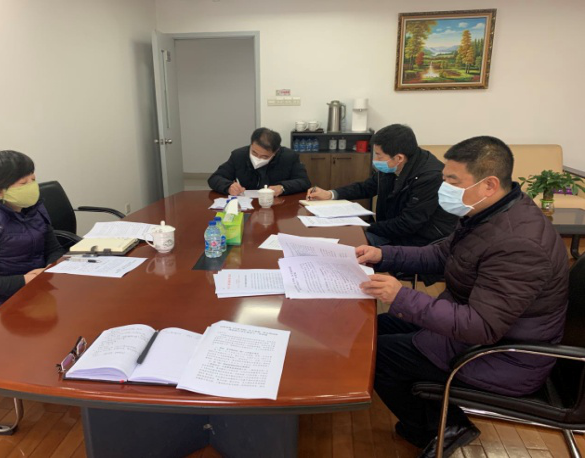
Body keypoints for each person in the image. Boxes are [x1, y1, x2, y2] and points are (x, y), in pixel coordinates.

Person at [356, 136, 569, 457]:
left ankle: (443, 427)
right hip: (472, 331)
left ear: (489, 184)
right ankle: (430, 417)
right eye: (445, 179)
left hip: (503, 357)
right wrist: (382, 255)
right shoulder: (488, 213)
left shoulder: (518, 244)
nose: (445, 188)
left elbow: (482, 326)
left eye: (453, 181)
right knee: (377, 329)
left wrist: (402, 296)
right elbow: (441, 254)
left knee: (377, 355)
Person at [306, 124, 457, 247]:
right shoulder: (394, 164)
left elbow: (407, 224)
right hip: (392, 230)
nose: (375, 160)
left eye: (379, 155)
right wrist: (331, 194)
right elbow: (367, 187)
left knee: (347, 245)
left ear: (399, 158)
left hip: (418, 241)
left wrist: (362, 227)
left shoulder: (430, 177)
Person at [0, 150, 65, 312]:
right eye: (23, 183)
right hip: (1, 304)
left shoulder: (31, 206)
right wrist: (26, 280)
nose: (32, 187)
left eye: (33, 180)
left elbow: (55, 249)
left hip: (39, 289)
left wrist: (48, 269)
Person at [208, 127, 311, 196]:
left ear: (276, 152)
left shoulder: (289, 157)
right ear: (251, 144)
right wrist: (228, 186)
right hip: (248, 204)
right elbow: (215, 178)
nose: (258, 158)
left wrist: (282, 187)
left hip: (277, 205)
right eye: (254, 153)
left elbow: (304, 182)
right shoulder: (239, 155)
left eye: (264, 156)